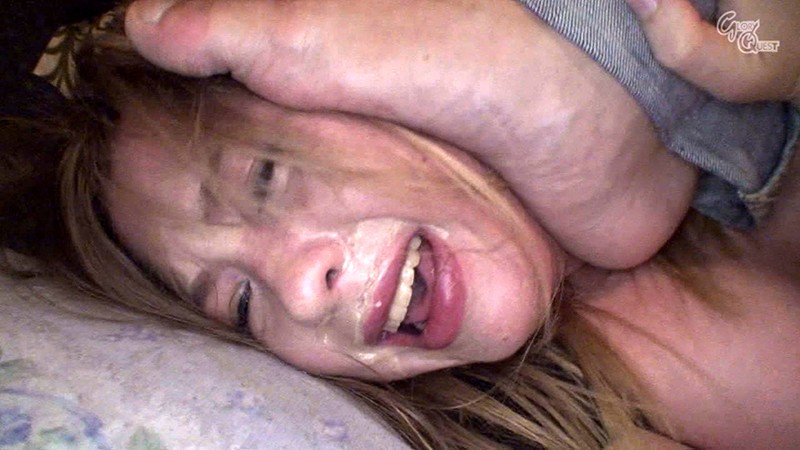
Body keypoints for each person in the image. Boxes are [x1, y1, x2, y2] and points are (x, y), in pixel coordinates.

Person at [1, 1, 798, 449]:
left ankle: (612, 82)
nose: (300, 289)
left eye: (267, 177)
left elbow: (746, 33)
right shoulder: (586, 401)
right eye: (239, 305)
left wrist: (767, 41)